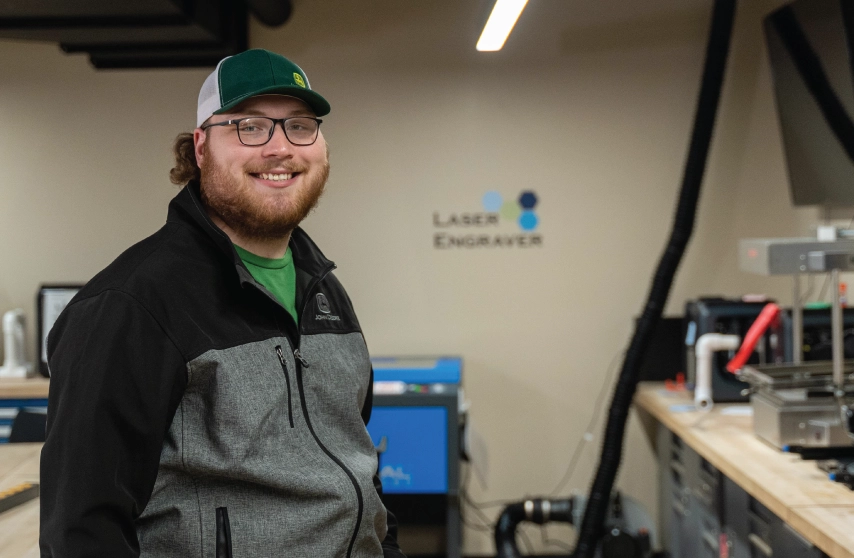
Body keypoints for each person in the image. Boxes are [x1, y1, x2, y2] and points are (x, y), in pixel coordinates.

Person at [40, 48, 406, 558]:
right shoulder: (130, 305)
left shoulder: (322, 288)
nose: (280, 148)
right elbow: (81, 530)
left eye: (300, 126)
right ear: (201, 147)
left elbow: (355, 461)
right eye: (250, 126)